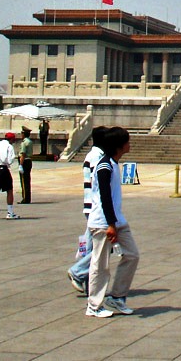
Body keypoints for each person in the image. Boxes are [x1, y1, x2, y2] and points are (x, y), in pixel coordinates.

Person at [86, 126, 139, 318]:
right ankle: (94, 304)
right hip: (103, 222)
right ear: (119, 145)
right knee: (100, 264)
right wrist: (110, 225)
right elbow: (104, 197)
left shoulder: (114, 164)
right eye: (127, 141)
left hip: (116, 220)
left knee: (132, 255)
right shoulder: (104, 166)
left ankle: (117, 296)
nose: (129, 144)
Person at [67, 125, 107, 293]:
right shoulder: (97, 157)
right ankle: (78, 271)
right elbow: (99, 184)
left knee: (90, 246)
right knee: (104, 246)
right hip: (95, 207)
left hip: (91, 206)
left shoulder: (93, 155)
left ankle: (84, 275)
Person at [18, 126, 34, 204]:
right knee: (27, 180)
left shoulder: (24, 142)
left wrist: (20, 164)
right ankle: (28, 197)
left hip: (24, 161)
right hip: (29, 161)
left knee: (24, 181)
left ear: (23, 134)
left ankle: (25, 198)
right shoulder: (30, 141)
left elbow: (23, 154)